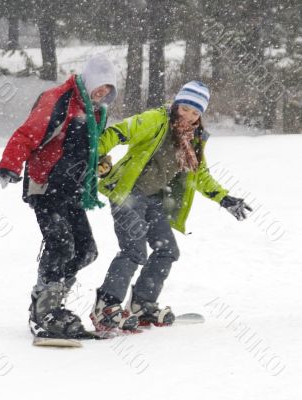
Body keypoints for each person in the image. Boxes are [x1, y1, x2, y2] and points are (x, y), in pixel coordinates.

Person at [91, 81, 252, 331]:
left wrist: (224, 198)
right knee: (134, 251)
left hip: (153, 198)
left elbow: (199, 175)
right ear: (177, 104)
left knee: (167, 250)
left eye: (195, 112)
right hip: (127, 193)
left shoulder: (192, 139)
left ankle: (142, 304)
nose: (189, 116)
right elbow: (119, 132)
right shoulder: (156, 119)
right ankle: (106, 307)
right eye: (185, 108)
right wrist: (95, 155)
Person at [0, 54, 118, 340]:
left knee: (85, 251)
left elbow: (89, 148)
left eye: (108, 90)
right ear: (88, 81)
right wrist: (10, 166)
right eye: (99, 86)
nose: (102, 93)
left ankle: (48, 301)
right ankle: (44, 313)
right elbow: (27, 134)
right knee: (61, 245)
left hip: (73, 191)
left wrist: (99, 162)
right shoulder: (58, 99)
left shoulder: (97, 111)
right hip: (45, 185)